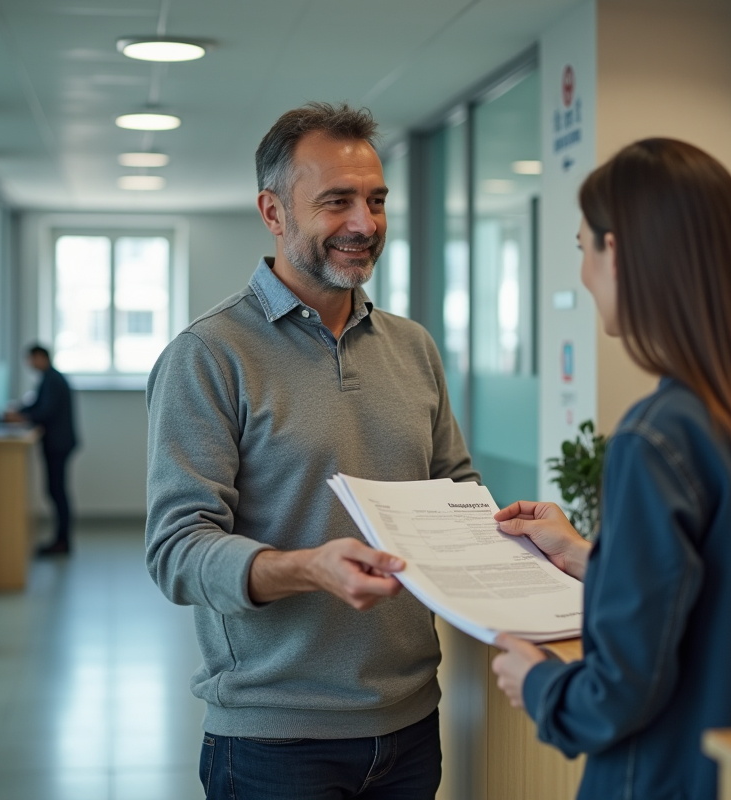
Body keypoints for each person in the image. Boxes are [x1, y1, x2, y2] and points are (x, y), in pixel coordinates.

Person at [490, 139, 731, 800]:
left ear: (620, 252)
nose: (582, 274)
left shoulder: (656, 437)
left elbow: (620, 690)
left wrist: (542, 684)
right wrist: (587, 554)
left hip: (670, 779)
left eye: (583, 249)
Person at [144, 102, 478, 800]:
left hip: (412, 722)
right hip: (274, 741)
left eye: (376, 200)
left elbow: (455, 493)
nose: (364, 224)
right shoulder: (209, 355)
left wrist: (522, 548)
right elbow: (177, 550)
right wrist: (307, 569)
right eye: (337, 202)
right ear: (273, 212)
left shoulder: (412, 347)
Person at [6, 344, 78, 556]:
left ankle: (62, 541)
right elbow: (37, 405)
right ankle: (61, 540)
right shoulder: (49, 378)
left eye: (31, 359)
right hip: (58, 443)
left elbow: (45, 411)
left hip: (58, 444)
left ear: (41, 357)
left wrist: (20, 417)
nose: (29, 364)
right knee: (55, 491)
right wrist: (18, 411)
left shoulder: (52, 380)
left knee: (57, 492)